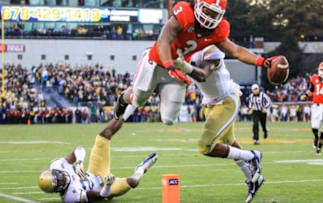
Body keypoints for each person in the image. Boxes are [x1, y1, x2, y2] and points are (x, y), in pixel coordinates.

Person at [114, 0, 281, 126]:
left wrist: (263, 61)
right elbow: (163, 41)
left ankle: (161, 93)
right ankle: (123, 98)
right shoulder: (184, 13)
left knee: (169, 119)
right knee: (138, 100)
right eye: (207, 11)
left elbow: (236, 51)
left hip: (179, 67)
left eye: (215, 14)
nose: (209, 18)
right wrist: (168, 64)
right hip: (157, 60)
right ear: (198, 5)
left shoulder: (218, 30)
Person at [174, 46, 264, 203]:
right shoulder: (184, 48)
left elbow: (203, 75)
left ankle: (252, 156)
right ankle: (253, 179)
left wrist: (182, 65)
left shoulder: (210, 48)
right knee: (229, 142)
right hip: (210, 102)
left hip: (226, 100)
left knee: (206, 146)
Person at [37, 119, 158, 202]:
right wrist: (108, 185)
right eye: (59, 181)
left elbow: (79, 149)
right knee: (133, 182)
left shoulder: (57, 165)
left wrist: (79, 161)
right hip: (103, 187)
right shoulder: (70, 197)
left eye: (58, 176)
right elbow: (101, 196)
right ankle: (141, 169)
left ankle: (128, 108)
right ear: (57, 189)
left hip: (95, 171)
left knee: (103, 136)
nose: (61, 178)